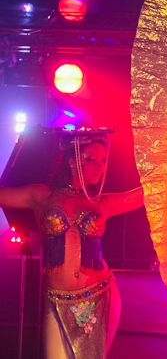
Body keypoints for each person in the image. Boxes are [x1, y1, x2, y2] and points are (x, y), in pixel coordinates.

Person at [0, 129, 144, 359]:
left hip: (98, 295)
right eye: (91, 159)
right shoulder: (42, 196)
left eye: (103, 161)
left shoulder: (101, 204)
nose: (100, 167)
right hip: (57, 298)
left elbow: (143, 195)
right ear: (72, 160)